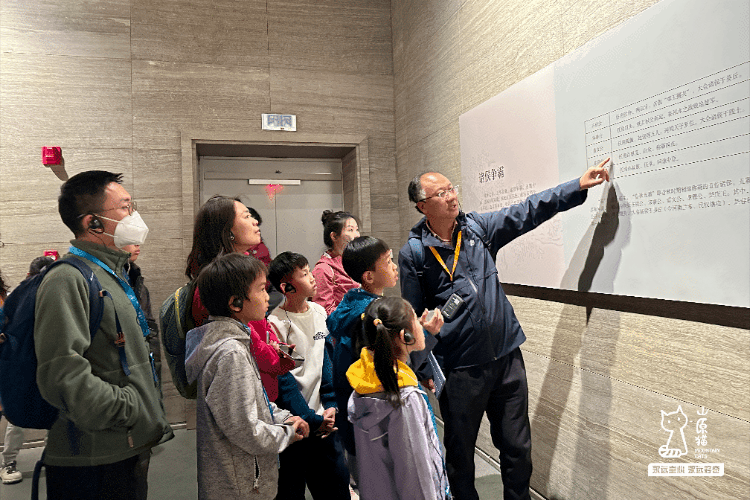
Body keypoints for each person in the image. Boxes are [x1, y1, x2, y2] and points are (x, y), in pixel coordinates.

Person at [398, 159, 611, 500]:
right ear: (423, 206)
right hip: (460, 368)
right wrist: (423, 366)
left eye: (452, 188)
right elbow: (412, 316)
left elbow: (526, 211)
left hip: (506, 357)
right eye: (442, 193)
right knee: (461, 455)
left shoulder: (477, 229)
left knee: (517, 448)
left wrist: (576, 186)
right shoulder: (415, 253)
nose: (452, 196)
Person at [34, 170, 173, 499]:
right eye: (125, 207)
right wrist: (130, 407)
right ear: (93, 223)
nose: (134, 215)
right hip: (92, 460)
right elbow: (61, 374)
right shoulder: (67, 279)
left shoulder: (113, 274)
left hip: (124, 446)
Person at [184, 253, 308, 499]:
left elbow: (252, 404)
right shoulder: (230, 353)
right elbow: (245, 430)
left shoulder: (234, 341)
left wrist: (282, 417)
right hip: (240, 487)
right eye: (261, 289)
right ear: (236, 303)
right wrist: (286, 434)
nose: (268, 296)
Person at [326, 236, 441, 493]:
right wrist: (428, 335)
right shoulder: (372, 316)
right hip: (387, 417)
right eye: (388, 261)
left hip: (358, 416)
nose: (395, 266)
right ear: (368, 276)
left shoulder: (351, 301)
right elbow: (394, 361)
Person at [347, 297, 450, 500]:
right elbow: (416, 477)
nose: (421, 324)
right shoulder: (404, 400)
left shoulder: (367, 379)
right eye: (416, 320)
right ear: (405, 336)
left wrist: (428, 333)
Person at [267, 252, 351, 500]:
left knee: (336, 486)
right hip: (296, 424)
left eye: (309, 271)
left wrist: (331, 404)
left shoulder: (318, 312)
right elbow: (284, 381)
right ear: (287, 287)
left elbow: (326, 361)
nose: (313, 277)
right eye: (304, 274)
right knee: (291, 489)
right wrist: (309, 418)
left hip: (325, 418)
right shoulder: (275, 323)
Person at [0, 256, 55, 485]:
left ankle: (52, 458)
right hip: (22, 365)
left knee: (56, 412)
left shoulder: (57, 297)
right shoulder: (16, 298)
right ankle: (8, 462)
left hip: (51, 364)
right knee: (18, 416)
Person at [122, 245, 161, 394]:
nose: (137, 243)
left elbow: (151, 334)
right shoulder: (105, 282)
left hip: (147, 367)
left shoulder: (137, 281)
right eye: (130, 239)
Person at [312, 210, 361, 314]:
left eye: (357, 230)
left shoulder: (354, 260)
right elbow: (324, 311)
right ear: (334, 236)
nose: (357, 235)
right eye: (350, 230)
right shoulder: (323, 269)